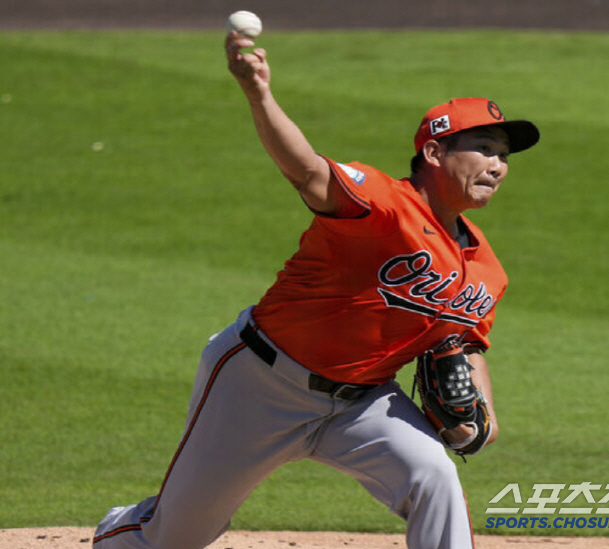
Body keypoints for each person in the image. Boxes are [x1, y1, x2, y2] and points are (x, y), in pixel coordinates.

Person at [93, 30, 540, 549]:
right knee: (176, 537)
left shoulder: (487, 269)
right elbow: (307, 172)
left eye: (504, 154)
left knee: (434, 477)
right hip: (260, 384)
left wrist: (483, 420)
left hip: (363, 404)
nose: (498, 165)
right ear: (435, 152)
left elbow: (464, 344)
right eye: (484, 148)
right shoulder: (383, 203)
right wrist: (258, 93)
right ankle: (119, 530)